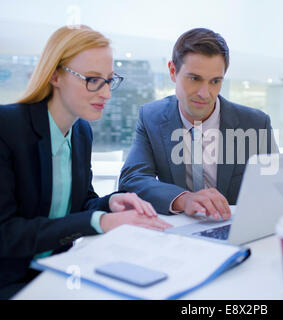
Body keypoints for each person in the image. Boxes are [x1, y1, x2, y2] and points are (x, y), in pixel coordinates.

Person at [0, 25, 171, 299]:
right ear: (55, 75)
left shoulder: (80, 132)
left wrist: (110, 204)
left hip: (61, 272)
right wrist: (99, 221)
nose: (106, 94)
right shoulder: (7, 128)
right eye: (92, 79)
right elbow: (6, 233)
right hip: (12, 282)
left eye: (109, 80)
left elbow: (80, 206)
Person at [119, 28, 277, 219]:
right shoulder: (151, 117)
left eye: (215, 81)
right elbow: (132, 180)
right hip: (179, 233)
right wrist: (184, 199)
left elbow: (275, 185)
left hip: (238, 230)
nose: (205, 93)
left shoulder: (255, 124)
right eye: (195, 78)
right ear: (172, 71)